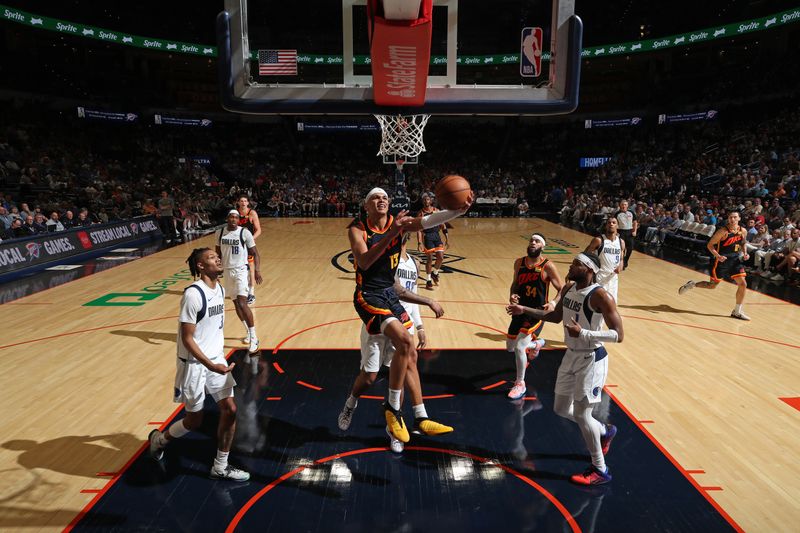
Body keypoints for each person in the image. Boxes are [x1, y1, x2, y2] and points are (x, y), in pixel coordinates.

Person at [349, 186, 472, 443]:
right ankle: (390, 408)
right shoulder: (358, 228)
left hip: (389, 294)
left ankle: (420, 416)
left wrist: (457, 211)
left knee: (411, 352)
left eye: (384, 197)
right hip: (368, 296)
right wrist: (393, 233)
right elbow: (364, 262)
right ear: (366, 206)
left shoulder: (400, 223)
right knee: (397, 348)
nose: (381, 200)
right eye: (375, 197)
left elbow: (427, 221)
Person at [506, 252, 624, 485]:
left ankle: (600, 470)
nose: (571, 266)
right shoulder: (570, 289)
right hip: (570, 356)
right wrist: (524, 310)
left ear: (589, 269)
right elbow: (555, 316)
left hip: (592, 359)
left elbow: (618, 335)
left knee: (582, 414)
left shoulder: (601, 295)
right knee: (561, 408)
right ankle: (603, 430)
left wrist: (585, 333)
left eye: (576, 264)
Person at [338, 234, 452, 453]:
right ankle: (351, 403)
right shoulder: (380, 256)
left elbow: (412, 293)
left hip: (403, 321)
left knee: (397, 375)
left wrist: (419, 326)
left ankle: (396, 431)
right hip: (378, 319)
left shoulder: (413, 262)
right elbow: (390, 287)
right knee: (370, 376)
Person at [148, 247, 249, 481]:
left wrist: (216, 362)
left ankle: (220, 466)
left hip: (215, 359)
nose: (218, 259)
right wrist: (210, 364)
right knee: (194, 421)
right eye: (212, 258)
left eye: (217, 257)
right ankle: (160, 440)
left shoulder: (220, 288)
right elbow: (187, 338)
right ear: (201, 266)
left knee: (230, 410)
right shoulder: (193, 294)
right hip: (194, 363)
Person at [506, 233, 564, 400]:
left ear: (542, 246)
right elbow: (515, 284)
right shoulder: (519, 262)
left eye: (537, 241)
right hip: (519, 309)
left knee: (519, 348)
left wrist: (553, 303)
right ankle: (537, 344)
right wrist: (513, 295)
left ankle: (520, 383)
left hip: (537, 312)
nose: (533, 243)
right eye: (531, 240)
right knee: (510, 347)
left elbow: (562, 289)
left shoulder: (548, 266)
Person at [678, 211, 750, 320]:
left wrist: (745, 253)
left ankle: (737, 311)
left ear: (739, 218)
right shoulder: (722, 231)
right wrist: (717, 256)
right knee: (712, 286)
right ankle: (692, 284)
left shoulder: (743, 231)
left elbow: (743, 242)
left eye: (735, 217)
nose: (732, 219)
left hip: (735, 261)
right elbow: (710, 245)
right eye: (730, 217)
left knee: (743, 284)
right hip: (721, 262)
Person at [216, 210, 262, 354]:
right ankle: (248, 331)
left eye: (236, 217)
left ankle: (254, 337)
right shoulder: (220, 232)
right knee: (236, 303)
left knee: (243, 302)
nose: (234, 219)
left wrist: (257, 271)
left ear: (238, 220)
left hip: (241, 270)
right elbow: (218, 254)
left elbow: (255, 253)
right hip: (227, 271)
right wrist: (217, 271)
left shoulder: (245, 233)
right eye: (231, 217)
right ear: (227, 218)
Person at [584, 217, 624, 302]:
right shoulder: (598, 240)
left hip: (613, 278)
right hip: (599, 277)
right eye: (609, 223)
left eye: (614, 222)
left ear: (617, 226)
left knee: (612, 304)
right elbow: (585, 256)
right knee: (598, 304)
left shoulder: (621, 242)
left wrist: (620, 265)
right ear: (606, 226)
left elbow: (621, 258)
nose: (611, 224)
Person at [416, 194, 448, 290]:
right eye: (424, 200)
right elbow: (419, 230)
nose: (426, 201)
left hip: (436, 236)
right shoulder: (420, 213)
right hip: (427, 237)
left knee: (441, 257)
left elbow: (443, 225)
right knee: (429, 259)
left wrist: (447, 238)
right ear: (423, 202)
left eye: (428, 200)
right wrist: (419, 242)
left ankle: (435, 273)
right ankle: (428, 280)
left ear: (431, 201)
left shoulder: (436, 211)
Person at [236, 195, 261, 305]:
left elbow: (259, 230)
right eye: (241, 201)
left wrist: (250, 239)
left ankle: (251, 293)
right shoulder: (235, 213)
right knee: (240, 268)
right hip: (238, 245)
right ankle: (242, 290)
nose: (243, 202)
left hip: (248, 245)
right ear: (238, 202)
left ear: (248, 203)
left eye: (245, 201)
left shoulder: (252, 213)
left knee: (251, 268)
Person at [615, 200, 636, 269]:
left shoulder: (631, 212)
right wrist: (615, 232)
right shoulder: (617, 213)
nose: (624, 206)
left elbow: (635, 222)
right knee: (622, 248)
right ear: (620, 205)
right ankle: (622, 263)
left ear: (627, 205)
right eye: (622, 204)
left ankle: (626, 260)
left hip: (629, 232)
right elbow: (615, 224)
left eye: (625, 204)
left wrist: (634, 231)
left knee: (630, 248)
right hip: (621, 232)